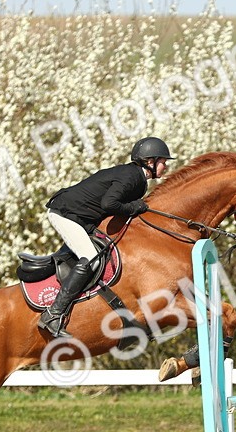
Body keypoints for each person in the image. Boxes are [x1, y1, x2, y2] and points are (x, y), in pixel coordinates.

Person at [38, 136, 174, 338]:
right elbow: (109, 204)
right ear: (150, 161)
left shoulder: (138, 179)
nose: (166, 166)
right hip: (64, 213)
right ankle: (53, 314)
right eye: (163, 162)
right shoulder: (132, 177)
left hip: (82, 218)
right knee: (90, 258)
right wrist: (134, 207)